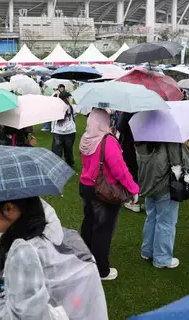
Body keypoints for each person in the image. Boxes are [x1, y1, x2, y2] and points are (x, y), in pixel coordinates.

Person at [0, 196, 108, 319]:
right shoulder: (52, 232)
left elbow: (19, 317)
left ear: (9, 208)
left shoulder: (25, 252)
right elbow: (42, 272)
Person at [78, 108, 139, 280]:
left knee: (89, 224)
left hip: (86, 187)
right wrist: (133, 189)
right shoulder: (108, 141)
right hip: (103, 191)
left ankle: (84, 260)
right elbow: (120, 170)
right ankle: (101, 270)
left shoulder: (86, 138)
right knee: (102, 230)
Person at [136, 141, 189, 269]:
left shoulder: (141, 137)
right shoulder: (170, 140)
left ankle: (147, 251)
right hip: (164, 186)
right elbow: (181, 163)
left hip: (147, 184)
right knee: (166, 222)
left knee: (151, 218)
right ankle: (162, 258)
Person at [116, 112, 140, 213]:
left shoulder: (128, 111)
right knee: (136, 169)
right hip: (143, 144)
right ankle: (137, 192)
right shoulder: (146, 109)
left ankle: (133, 199)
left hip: (129, 144)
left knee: (129, 169)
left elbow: (120, 126)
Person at [51, 91, 77, 167]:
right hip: (70, 132)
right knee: (68, 150)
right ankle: (69, 163)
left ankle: (56, 164)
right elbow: (81, 110)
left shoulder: (56, 107)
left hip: (58, 132)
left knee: (57, 150)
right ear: (67, 98)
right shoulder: (72, 107)